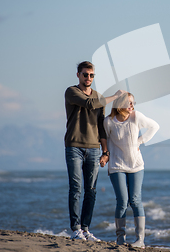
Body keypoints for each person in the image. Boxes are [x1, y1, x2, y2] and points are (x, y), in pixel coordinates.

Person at [64, 61, 125, 241]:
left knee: (91, 190)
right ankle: (75, 228)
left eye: (91, 75)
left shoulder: (98, 97)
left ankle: (85, 229)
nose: (88, 78)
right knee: (76, 188)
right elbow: (89, 103)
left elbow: (100, 125)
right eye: (85, 74)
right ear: (78, 75)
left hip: (93, 148)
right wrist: (115, 96)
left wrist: (106, 152)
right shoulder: (71, 92)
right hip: (74, 146)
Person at [100, 92, 159, 247]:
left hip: (136, 165)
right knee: (122, 201)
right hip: (117, 165)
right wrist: (105, 154)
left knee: (135, 200)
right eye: (129, 103)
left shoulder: (136, 116)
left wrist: (140, 141)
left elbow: (154, 126)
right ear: (120, 105)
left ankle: (140, 240)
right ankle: (120, 239)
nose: (132, 106)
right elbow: (103, 138)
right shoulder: (109, 121)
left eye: (133, 103)